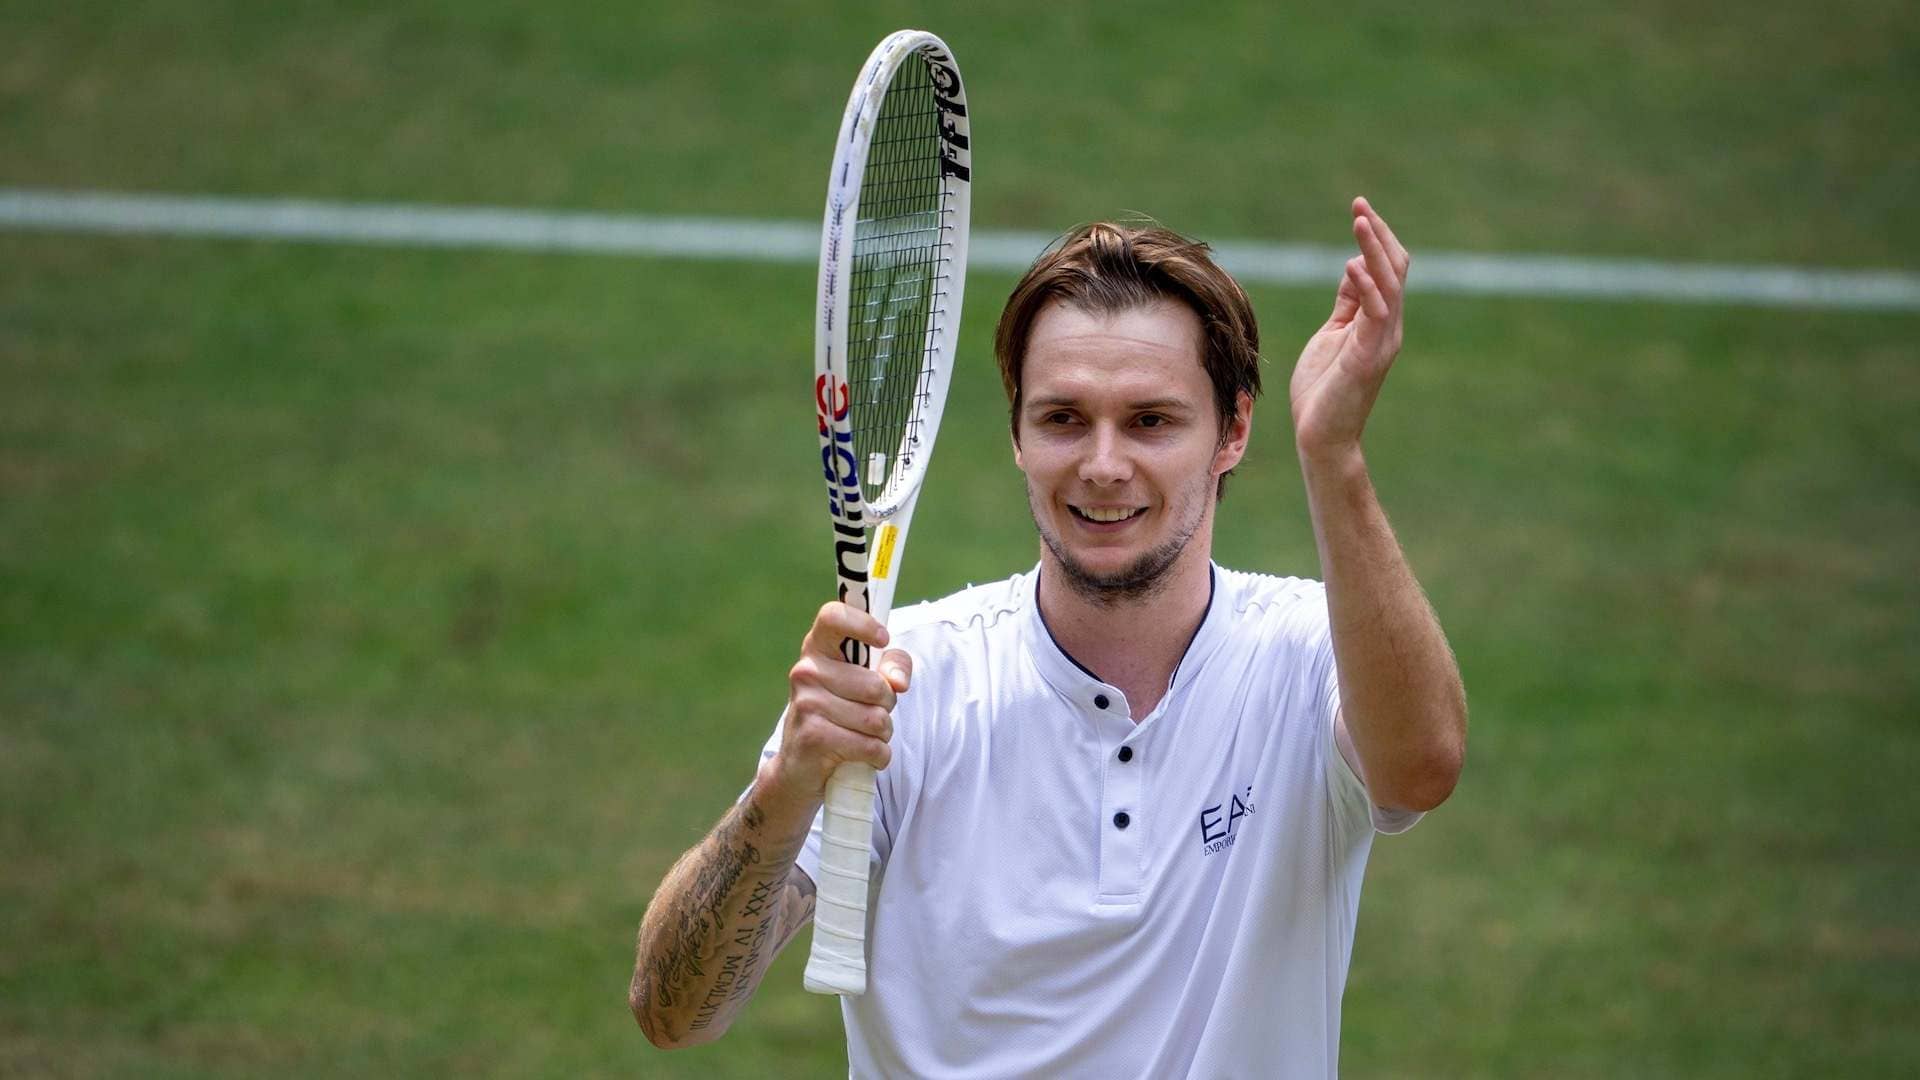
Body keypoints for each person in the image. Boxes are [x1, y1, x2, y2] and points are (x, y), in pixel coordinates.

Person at [630, 198, 1467, 1078]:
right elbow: (673, 1013)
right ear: (1018, 437)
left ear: (1233, 431)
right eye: (1063, 419)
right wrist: (786, 788)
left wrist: (1333, 453)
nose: (1103, 466)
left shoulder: (1308, 655)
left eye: (1150, 421)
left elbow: (1422, 770)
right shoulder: (902, 682)